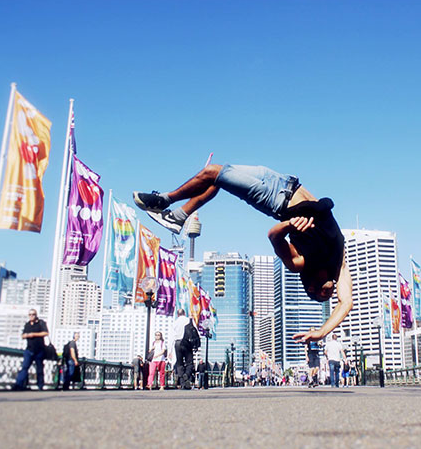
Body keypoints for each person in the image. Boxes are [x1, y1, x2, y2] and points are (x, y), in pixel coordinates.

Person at [133, 164, 353, 343]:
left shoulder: (300, 263)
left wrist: (289, 226)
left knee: (213, 173)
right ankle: (179, 216)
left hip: (275, 200)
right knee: (216, 177)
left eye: (321, 296)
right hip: (285, 181)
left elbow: (273, 235)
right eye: (329, 295)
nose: (331, 293)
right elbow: (347, 303)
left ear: (311, 286)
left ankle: (165, 201)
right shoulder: (338, 263)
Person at [14, 309, 49, 390]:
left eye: (33, 314)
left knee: (39, 368)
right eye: (30, 314)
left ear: (36, 315)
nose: (31, 316)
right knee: (24, 367)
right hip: (29, 349)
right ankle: (18, 384)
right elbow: (22, 335)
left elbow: (46, 333)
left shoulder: (41, 323)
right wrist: (26, 335)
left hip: (39, 350)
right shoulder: (27, 325)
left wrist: (33, 334)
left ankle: (40, 385)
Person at [168, 309, 200, 390]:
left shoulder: (175, 322)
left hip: (177, 343)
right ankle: (187, 374)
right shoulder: (189, 321)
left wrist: (170, 350)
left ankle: (182, 383)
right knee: (189, 363)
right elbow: (196, 332)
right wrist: (197, 344)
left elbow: (171, 337)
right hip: (187, 343)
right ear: (184, 313)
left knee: (179, 363)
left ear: (178, 314)